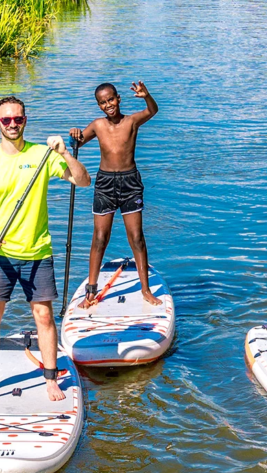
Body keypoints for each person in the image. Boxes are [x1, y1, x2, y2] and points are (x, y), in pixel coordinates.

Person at [0, 96, 90, 401]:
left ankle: (50, 379)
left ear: (25, 120)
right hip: (1, 254)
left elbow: (83, 181)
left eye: (17, 119)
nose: (12, 124)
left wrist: (64, 154)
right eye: (6, 120)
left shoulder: (42, 155)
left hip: (37, 252)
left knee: (43, 317)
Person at [69, 81, 161, 308]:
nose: (108, 105)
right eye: (103, 102)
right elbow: (77, 142)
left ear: (118, 98)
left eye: (111, 99)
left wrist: (147, 95)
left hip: (130, 183)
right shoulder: (98, 125)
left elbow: (152, 111)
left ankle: (145, 290)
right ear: (99, 105)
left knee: (137, 237)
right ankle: (91, 292)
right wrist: (73, 135)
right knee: (100, 238)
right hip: (105, 184)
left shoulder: (132, 121)